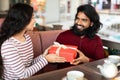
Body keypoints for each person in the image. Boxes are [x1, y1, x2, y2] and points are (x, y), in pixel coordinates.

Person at [0, 3, 66, 80]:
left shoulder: (27, 38)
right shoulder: (8, 46)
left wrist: (44, 56)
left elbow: (29, 63)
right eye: (32, 18)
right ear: (22, 20)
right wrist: (46, 60)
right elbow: (23, 75)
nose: (35, 21)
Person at [56, 4, 106, 68]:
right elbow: (51, 60)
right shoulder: (63, 36)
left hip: (88, 75)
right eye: (77, 18)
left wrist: (86, 60)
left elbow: (101, 64)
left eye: (84, 20)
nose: (79, 23)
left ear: (91, 23)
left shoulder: (96, 40)